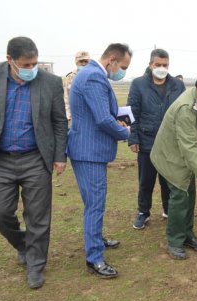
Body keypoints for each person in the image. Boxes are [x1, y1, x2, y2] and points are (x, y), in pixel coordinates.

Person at [0, 36, 68, 289]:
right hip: (2, 160)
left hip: (35, 159)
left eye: (34, 64)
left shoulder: (49, 83)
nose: (31, 70)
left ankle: (36, 265)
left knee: (38, 217)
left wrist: (60, 156)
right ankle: (23, 244)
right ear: (9, 60)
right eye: (25, 65)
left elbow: (60, 121)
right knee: (2, 212)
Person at [67, 43, 132, 278]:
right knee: (95, 204)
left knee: (93, 202)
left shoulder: (90, 74)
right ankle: (94, 257)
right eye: (122, 67)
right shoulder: (94, 76)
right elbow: (103, 119)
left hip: (89, 150)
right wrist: (128, 134)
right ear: (111, 60)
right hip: (89, 152)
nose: (122, 72)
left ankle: (96, 239)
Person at [150, 70, 197, 260]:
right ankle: (175, 241)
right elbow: (189, 146)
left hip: (183, 157)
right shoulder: (186, 108)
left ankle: (187, 234)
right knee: (179, 197)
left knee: (189, 195)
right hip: (171, 158)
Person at [127, 49, 186, 230]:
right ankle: (143, 212)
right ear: (150, 65)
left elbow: (183, 112)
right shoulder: (138, 84)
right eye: (158, 65)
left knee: (168, 179)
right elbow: (132, 112)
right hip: (146, 140)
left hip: (170, 142)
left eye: (165, 65)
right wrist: (133, 138)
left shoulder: (178, 85)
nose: (161, 68)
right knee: (146, 180)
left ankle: (168, 209)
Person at [64, 51, 90, 122]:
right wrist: (68, 115)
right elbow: (66, 97)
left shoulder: (94, 74)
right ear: (76, 62)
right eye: (81, 61)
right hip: (75, 114)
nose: (84, 64)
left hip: (90, 114)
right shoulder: (70, 76)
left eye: (86, 61)